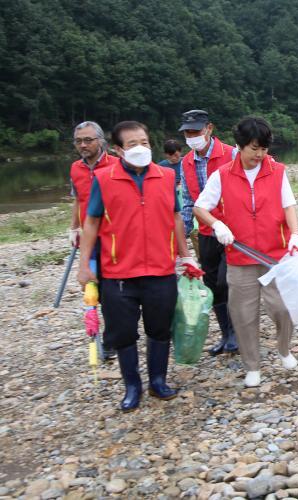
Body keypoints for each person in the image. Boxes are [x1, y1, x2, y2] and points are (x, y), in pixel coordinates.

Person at [76, 121, 196, 411]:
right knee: (123, 333)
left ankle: (158, 381)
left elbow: (176, 218)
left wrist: (187, 257)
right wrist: (84, 265)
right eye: (132, 144)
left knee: (160, 329)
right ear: (118, 150)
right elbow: (91, 222)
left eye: (144, 142)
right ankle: (132, 387)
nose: (140, 148)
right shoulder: (104, 179)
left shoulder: (166, 176)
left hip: (160, 270)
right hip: (118, 273)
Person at [193, 117, 298, 388]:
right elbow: (200, 207)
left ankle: (284, 348)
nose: (260, 155)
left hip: (274, 254)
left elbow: (288, 205)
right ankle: (252, 365)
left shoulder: (277, 171)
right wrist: (217, 224)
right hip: (240, 256)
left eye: (264, 149)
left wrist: (295, 235)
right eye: (254, 148)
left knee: (283, 307)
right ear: (240, 146)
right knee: (243, 314)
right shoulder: (222, 175)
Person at [179, 109, 238, 356]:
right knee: (212, 285)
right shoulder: (186, 163)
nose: (192, 137)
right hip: (205, 232)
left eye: (196, 131)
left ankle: (236, 332)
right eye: (188, 133)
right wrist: (181, 233)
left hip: (231, 231)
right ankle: (226, 333)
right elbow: (187, 201)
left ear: (209, 129)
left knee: (227, 280)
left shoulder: (231, 154)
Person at [69, 121, 120, 360]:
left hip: (113, 236)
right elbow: (78, 199)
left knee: (111, 289)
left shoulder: (117, 165)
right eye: (79, 141)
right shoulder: (75, 168)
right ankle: (102, 334)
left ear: (101, 141)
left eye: (88, 140)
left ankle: (111, 340)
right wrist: (74, 228)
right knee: (92, 285)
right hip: (89, 238)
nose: (83, 145)